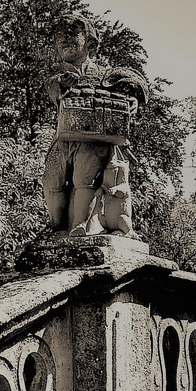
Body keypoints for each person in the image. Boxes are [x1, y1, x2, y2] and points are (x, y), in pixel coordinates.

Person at [40, 14, 150, 236]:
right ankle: (56, 225)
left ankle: (79, 225)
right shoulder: (58, 73)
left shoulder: (105, 74)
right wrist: (61, 84)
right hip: (64, 139)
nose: (64, 39)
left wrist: (133, 101)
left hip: (95, 141)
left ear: (90, 42)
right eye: (60, 36)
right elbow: (52, 87)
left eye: (72, 34)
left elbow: (137, 84)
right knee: (51, 179)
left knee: (84, 178)